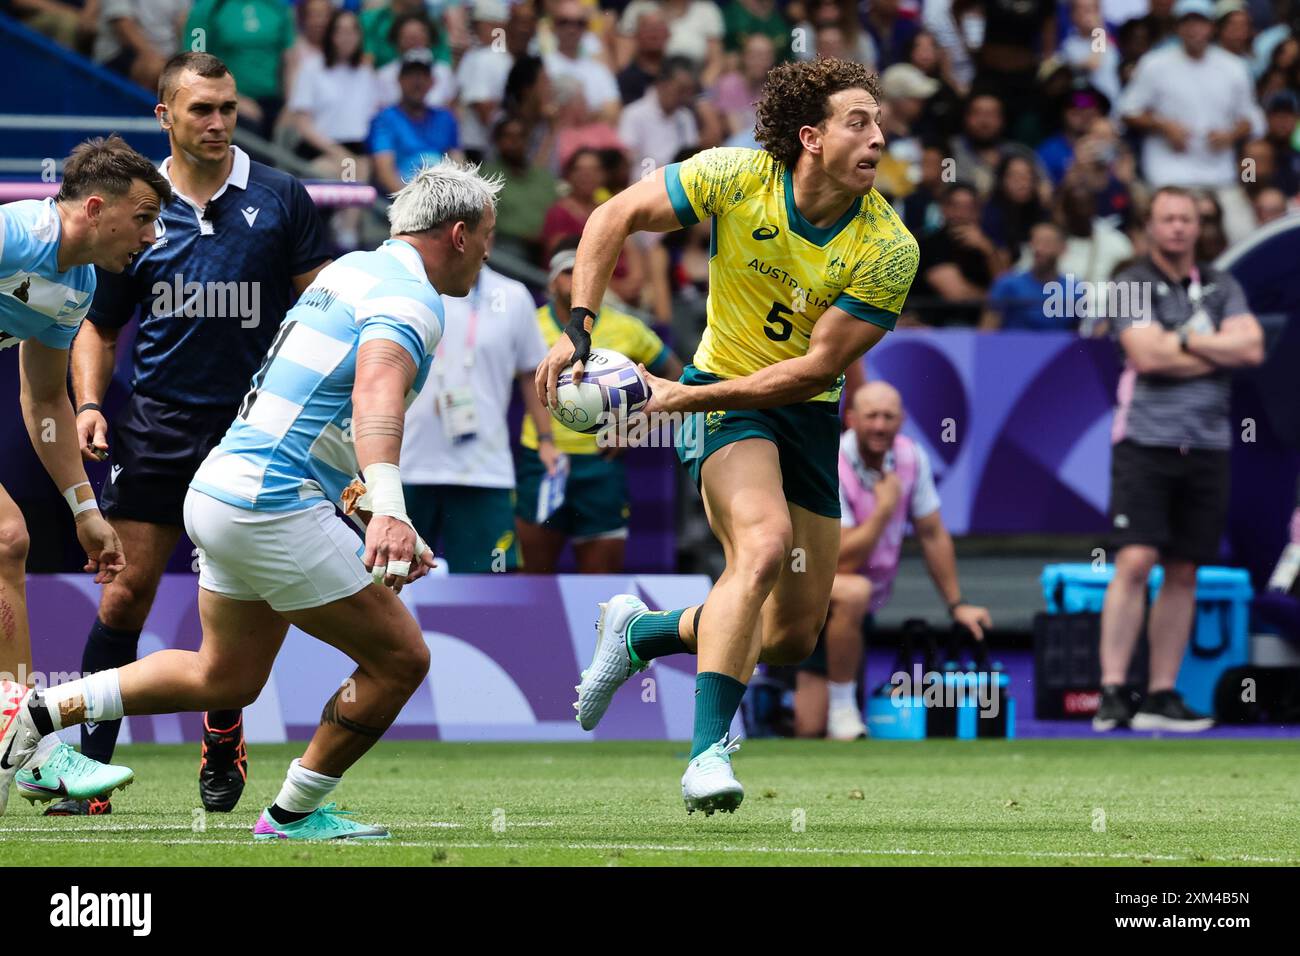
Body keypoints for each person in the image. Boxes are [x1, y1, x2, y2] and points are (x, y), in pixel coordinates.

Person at [0, 160, 501, 840]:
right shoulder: (412, 298)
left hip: (220, 489)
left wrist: (371, 508)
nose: (491, 255)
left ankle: (35, 714)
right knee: (401, 659)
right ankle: (293, 812)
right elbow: (375, 395)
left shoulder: (349, 271)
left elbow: (318, 421)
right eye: (490, 238)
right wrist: (389, 506)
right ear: (461, 234)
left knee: (224, 676)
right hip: (269, 501)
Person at [537, 58, 919, 814]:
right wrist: (579, 327)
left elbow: (814, 370)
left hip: (800, 411)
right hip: (723, 397)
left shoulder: (889, 248)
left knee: (789, 636)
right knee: (763, 545)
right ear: (810, 137)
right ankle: (707, 753)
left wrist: (676, 396)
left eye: (879, 123)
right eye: (859, 122)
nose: (879, 137)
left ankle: (644, 632)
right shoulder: (735, 176)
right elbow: (611, 217)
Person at [68, 53, 332, 818]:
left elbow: (321, 315)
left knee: (247, 604)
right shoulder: (134, 211)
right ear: (165, 117)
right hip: (157, 428)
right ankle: (85, 777)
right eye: (200, 110)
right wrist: (89, 402)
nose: (217, 122)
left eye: (227, 108)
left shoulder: (283, 198)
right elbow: (101, 325)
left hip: (259, 432)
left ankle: (223, 729)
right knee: (123, 601)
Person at [0, 135, 167, 816]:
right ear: (95, 209)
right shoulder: (11, 236)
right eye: (144, 218)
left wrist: (83, 508)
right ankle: (27, 745)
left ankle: (19, 739)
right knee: (7, 538)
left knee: (7, 542)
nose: (151, 237)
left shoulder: (81, 283)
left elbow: (43, 400)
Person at [1094, 186, 1265, 733]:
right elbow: (1145, 355)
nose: (1177, 228)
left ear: (1199, 226)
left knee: (1185, 569)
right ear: (1149, 226)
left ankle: (1161, 695)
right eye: (1167, 219)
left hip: (1209, 446)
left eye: (1186, 219)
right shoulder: (1130, 284)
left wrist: (1179, 346)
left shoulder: (1222, 283)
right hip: (1145, 443)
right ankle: (1114, 690)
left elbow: (1254, 348)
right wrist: (1210, 346)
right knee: (1136, 561)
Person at [794, 381, 991, 740]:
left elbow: (932, 533)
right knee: (854, 592)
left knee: (811, 727)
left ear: (901, 421)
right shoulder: (829, 459)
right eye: (871, 416)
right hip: (809, 587)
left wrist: (956, 604)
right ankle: (839, 709)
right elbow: (843, 559)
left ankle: (837, 708)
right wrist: (885, 508)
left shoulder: (911, 457)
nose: (880, 426)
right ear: (851, 419)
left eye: (889, 417)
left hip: (857, 605)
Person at [515, 240, 682, 573]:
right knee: (534, 579)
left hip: (601, 462)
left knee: (602, 581)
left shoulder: (627, 327)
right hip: (543, 459)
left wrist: (637, 429)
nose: (577, 279)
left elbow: (675, 374)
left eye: (584, 273)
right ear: (551, 282)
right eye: (568, 272)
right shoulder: (529, 324)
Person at [400, 251, 553, 574]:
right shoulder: (402, 287)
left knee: (490, 582)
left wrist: (546, 439)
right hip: (405, 464)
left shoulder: (512, 296)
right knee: (390, 578)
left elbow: (531, 371)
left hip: (484, 469)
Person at [370, 50, 464, 196]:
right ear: (399, 80)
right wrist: (413, 205)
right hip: (399, 202)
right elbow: (384, 171)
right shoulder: (385, 119)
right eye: (411, 75)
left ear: (432, 82)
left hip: (441, 199)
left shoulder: (445, 118)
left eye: (423, 76)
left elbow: (458, 164)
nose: (417, 82)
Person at [980, 221, 1072, 332]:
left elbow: (1081, 336)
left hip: (1061, 349)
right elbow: (986, 333)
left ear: (1063, 248)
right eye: (1036, 242)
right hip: (1013, 348)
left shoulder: (1074, 289)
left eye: (1047, 243)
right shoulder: (1007, 285)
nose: (1039, 249)